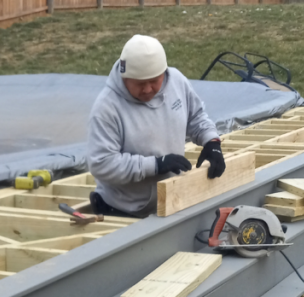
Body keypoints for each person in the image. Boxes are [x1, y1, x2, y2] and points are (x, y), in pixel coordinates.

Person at [87, 34, 225, 218]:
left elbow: (196, 116)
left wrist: (212, 142)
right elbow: (101, 163)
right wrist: (154, 165)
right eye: (140, 84)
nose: (147, 89)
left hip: (168, 201)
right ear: (125, 77)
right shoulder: (107, 108)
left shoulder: (176, 81)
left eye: (154, 81)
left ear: (164, 73)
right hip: (123, 210)